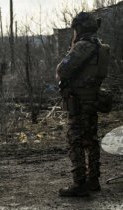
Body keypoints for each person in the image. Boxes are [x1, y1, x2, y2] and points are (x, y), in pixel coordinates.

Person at [56, 12, 111, 197]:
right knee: (91, 140)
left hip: (78, 101)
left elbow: (62, 70)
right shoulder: (100, 47)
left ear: (79, 28)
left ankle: (79, 183)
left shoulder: (82, 47)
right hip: (92, 99)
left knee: (75, 140)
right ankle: (94, 180)